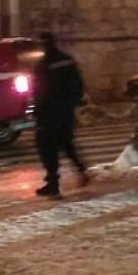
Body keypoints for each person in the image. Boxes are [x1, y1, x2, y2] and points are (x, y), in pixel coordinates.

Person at [32, 32, 89, 197]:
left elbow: (39, 91)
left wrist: (37, 110)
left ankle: (53, 183)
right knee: (66, 142)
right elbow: (78, 83)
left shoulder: (43, 65)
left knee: (47, 147)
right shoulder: (67, 60)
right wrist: (72, 103)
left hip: (49, 113)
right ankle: (80, 169)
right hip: (66, 111)